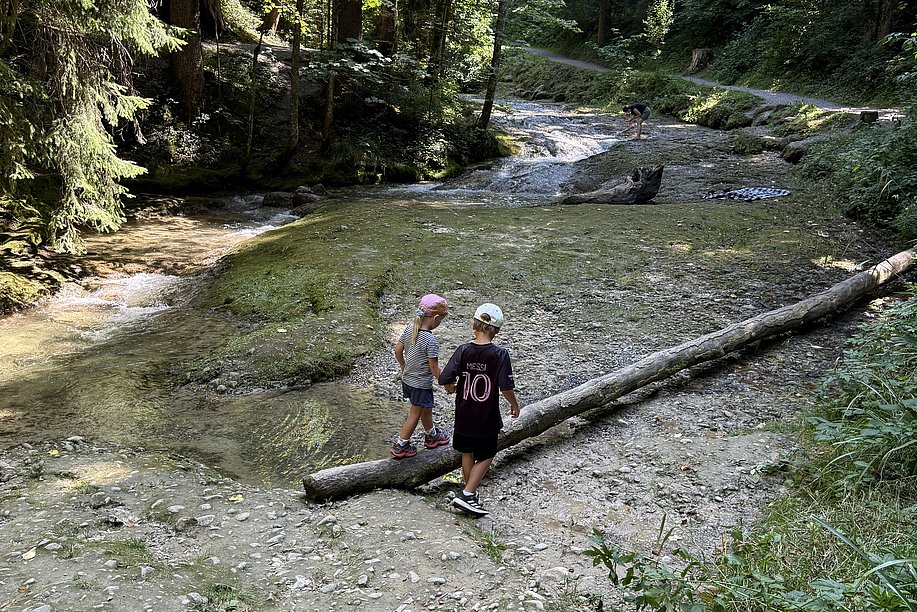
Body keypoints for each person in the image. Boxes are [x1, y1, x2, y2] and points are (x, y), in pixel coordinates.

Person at [439, 303, 520, 516]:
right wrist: (514, 404)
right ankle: (467, 494)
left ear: (473, 324)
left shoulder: (463, 350)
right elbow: (506, 387)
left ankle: (469, 494)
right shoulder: (500, 354)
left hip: (464, 414)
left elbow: (444, 378)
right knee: (487, 454)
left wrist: (451, 386)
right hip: (486, 417)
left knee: (468, 452)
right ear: (497, 331)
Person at [391, 294, 452, 458]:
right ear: (435, 318)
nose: (439, 324)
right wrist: (446, 382)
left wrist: (403, 366)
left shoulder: (411, 328)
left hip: (408, 380)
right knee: (415, 413)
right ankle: (401, 444)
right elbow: (434, 367)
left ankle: (431, 435)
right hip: (420, 384)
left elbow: (398, 350)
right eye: (441, 320)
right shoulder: (430, 340)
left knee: (426, 409)